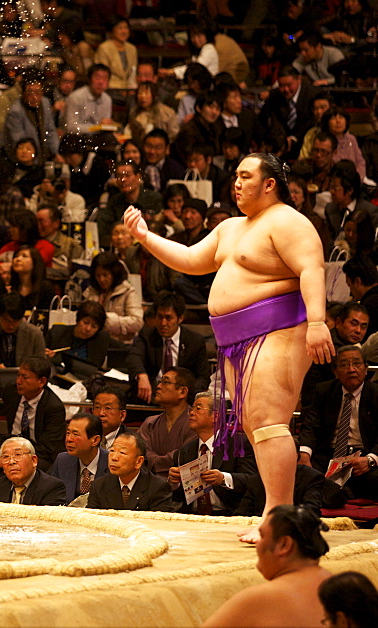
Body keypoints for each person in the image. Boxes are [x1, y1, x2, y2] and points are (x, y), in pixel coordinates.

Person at [123, 152, 335, 543]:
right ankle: (274, 509)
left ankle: (279, 515)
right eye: (235, 176)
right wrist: (145, 236)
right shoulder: (232, 228)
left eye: (246, 176)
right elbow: (190, 260)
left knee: (269, 422)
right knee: (255, 426)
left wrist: (319, 322)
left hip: (280, 328)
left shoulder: (288, 221)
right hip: (235, 340)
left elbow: (311, 268)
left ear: (269, 183)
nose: (236, 183)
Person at [203, 505, 332, 627]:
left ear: (284, 545)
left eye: (262, 536)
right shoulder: (336, 584)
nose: (257, 544)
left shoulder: (259, 598)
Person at [298, 345, 378, 500]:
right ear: (335, 371)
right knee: (303, 476)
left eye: (357, 363)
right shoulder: (324, 391)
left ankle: (337, 495)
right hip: (329, 454)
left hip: (363, 456)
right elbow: (311, 426)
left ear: (366, 369)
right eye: (344, 365)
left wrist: (370, 460)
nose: (351, 369)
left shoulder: (376, 393)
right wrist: (304, 454)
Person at [168, 391, 257, 515]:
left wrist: (223, 478)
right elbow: (178, 497)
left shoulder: (237, 444)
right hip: (192, 515)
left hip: (228, 513)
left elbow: (252, 479)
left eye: (198, 408)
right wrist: (175, 483)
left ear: (216, 416)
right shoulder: (184, 451)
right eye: (191, 409)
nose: (191, 413)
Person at [127, 292, 212, 403]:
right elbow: (134, 356)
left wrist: (183, 392)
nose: (163, 323)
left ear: (180, 318)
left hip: (182, 399)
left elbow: (203, 377)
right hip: (152, 396)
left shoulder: (195, 341)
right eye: (160, 317)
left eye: (168, 318)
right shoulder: (146, 335)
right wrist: (142, 376)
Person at [86, 431, 176, 511]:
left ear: (139, 461)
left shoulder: (158, 488)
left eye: (122, 453)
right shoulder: (99, 486)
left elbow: (161, 525)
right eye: (112, 450)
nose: (114, 457)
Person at [0, 437, 67, 506]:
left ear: (33, 460)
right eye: (6, 457)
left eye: (18, 455)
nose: (11, 461)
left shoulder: (52, 487)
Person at [80, 251, 143, 344]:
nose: (101, 279)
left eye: (105, 275)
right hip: (93, 343)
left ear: (114, 273)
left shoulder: (128, 291)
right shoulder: (90, 292)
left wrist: (107, 320)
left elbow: (137, 322)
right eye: (98, 275)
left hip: (120, 345)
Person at [48, 413, 110, 504]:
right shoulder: (63, 460)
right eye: (68, 433)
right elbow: (51, 495)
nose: (69, 439)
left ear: (95, 440)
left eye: (76, 434)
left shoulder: (111, 463)